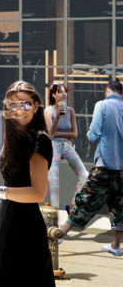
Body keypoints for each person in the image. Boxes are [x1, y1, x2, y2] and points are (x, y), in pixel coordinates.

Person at [0, 80, 55, 285]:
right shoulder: (12, 136)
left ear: (36, 105)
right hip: (3, 219)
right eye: (13, 105)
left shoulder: (39, 140)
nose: (19, 110)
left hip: (24, 224)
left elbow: (38, 193)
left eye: (25, 104)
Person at [52, 74, 123, 257]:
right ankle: (116, 245)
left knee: (85, 200)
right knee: (119, 206)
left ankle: (60, 235)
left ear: (107, 90)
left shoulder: (102, 105)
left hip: (105, 164)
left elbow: (93, 135)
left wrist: (96, 136)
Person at [44, 80, 88, 206]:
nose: (63, 94)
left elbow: (74, 134)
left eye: (65, 92)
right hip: (53, 145)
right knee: (54, 180)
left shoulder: (71, 111)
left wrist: (59, 134)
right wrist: (57, 117)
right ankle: (55, 213)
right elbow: (50, 135)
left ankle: (73, 205)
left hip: (67, 145)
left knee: (85, 175)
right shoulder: (49, 111)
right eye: (60, 92)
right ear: (53, 95)